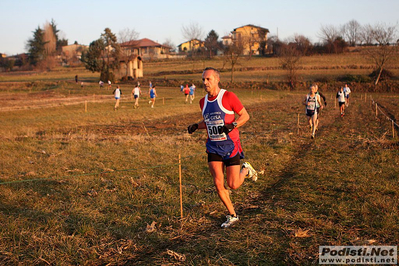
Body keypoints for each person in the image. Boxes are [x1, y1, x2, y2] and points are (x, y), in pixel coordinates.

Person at [187, 67, 258, 228]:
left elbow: (245, 116)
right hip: (213, 146)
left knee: (233, 184)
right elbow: (209, 122)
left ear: (217, 80)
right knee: (218, 184)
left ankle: (245, 169)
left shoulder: (228, 96)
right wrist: (195, 126)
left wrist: (232, 125)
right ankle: (232, 215)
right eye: (203, 79)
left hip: (230, 146)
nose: (204, 82)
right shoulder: (202, 102)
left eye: (208, 79)